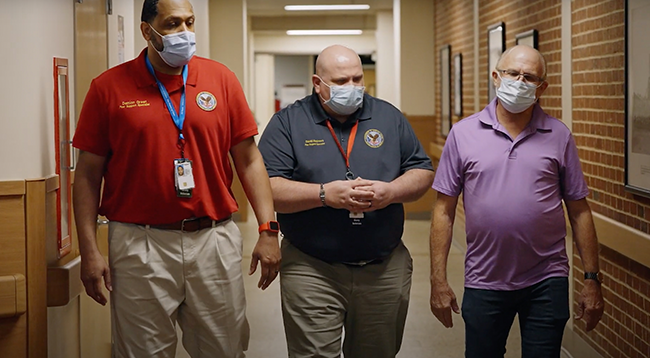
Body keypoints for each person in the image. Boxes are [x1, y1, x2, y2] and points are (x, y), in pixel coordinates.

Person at [72, 0, 281, 357]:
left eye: (189, 22)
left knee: (224, 349)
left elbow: (249, 160)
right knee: (143, 352)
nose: (185, 33)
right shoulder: (108, 88)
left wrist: (268, 229)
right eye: (172, 24)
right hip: (139, 243)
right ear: (147, 31)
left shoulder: (221, 79)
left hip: (213, 239)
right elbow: (88, 176)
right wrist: (89, 250)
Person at [258, 44, 435, 358]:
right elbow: (267, 187)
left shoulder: (388, 117)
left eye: (357, 79)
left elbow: (422, 171)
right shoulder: (288, 123)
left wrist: (391, 192)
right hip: (312, 266)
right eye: (340, 82)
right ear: (317, 82)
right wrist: (325, 195)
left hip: (383, 266)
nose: (352, 88)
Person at [429, 45, 605, 358]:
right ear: (496, 77)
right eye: (513, 73)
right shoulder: (463, 133)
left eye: (530, 77)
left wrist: (591, 280)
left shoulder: (558, 135)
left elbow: (579, 211)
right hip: (484, 277)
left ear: (542, 88)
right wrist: (438, 280)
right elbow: (443, 211)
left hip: (546, 278)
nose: (520, 82)